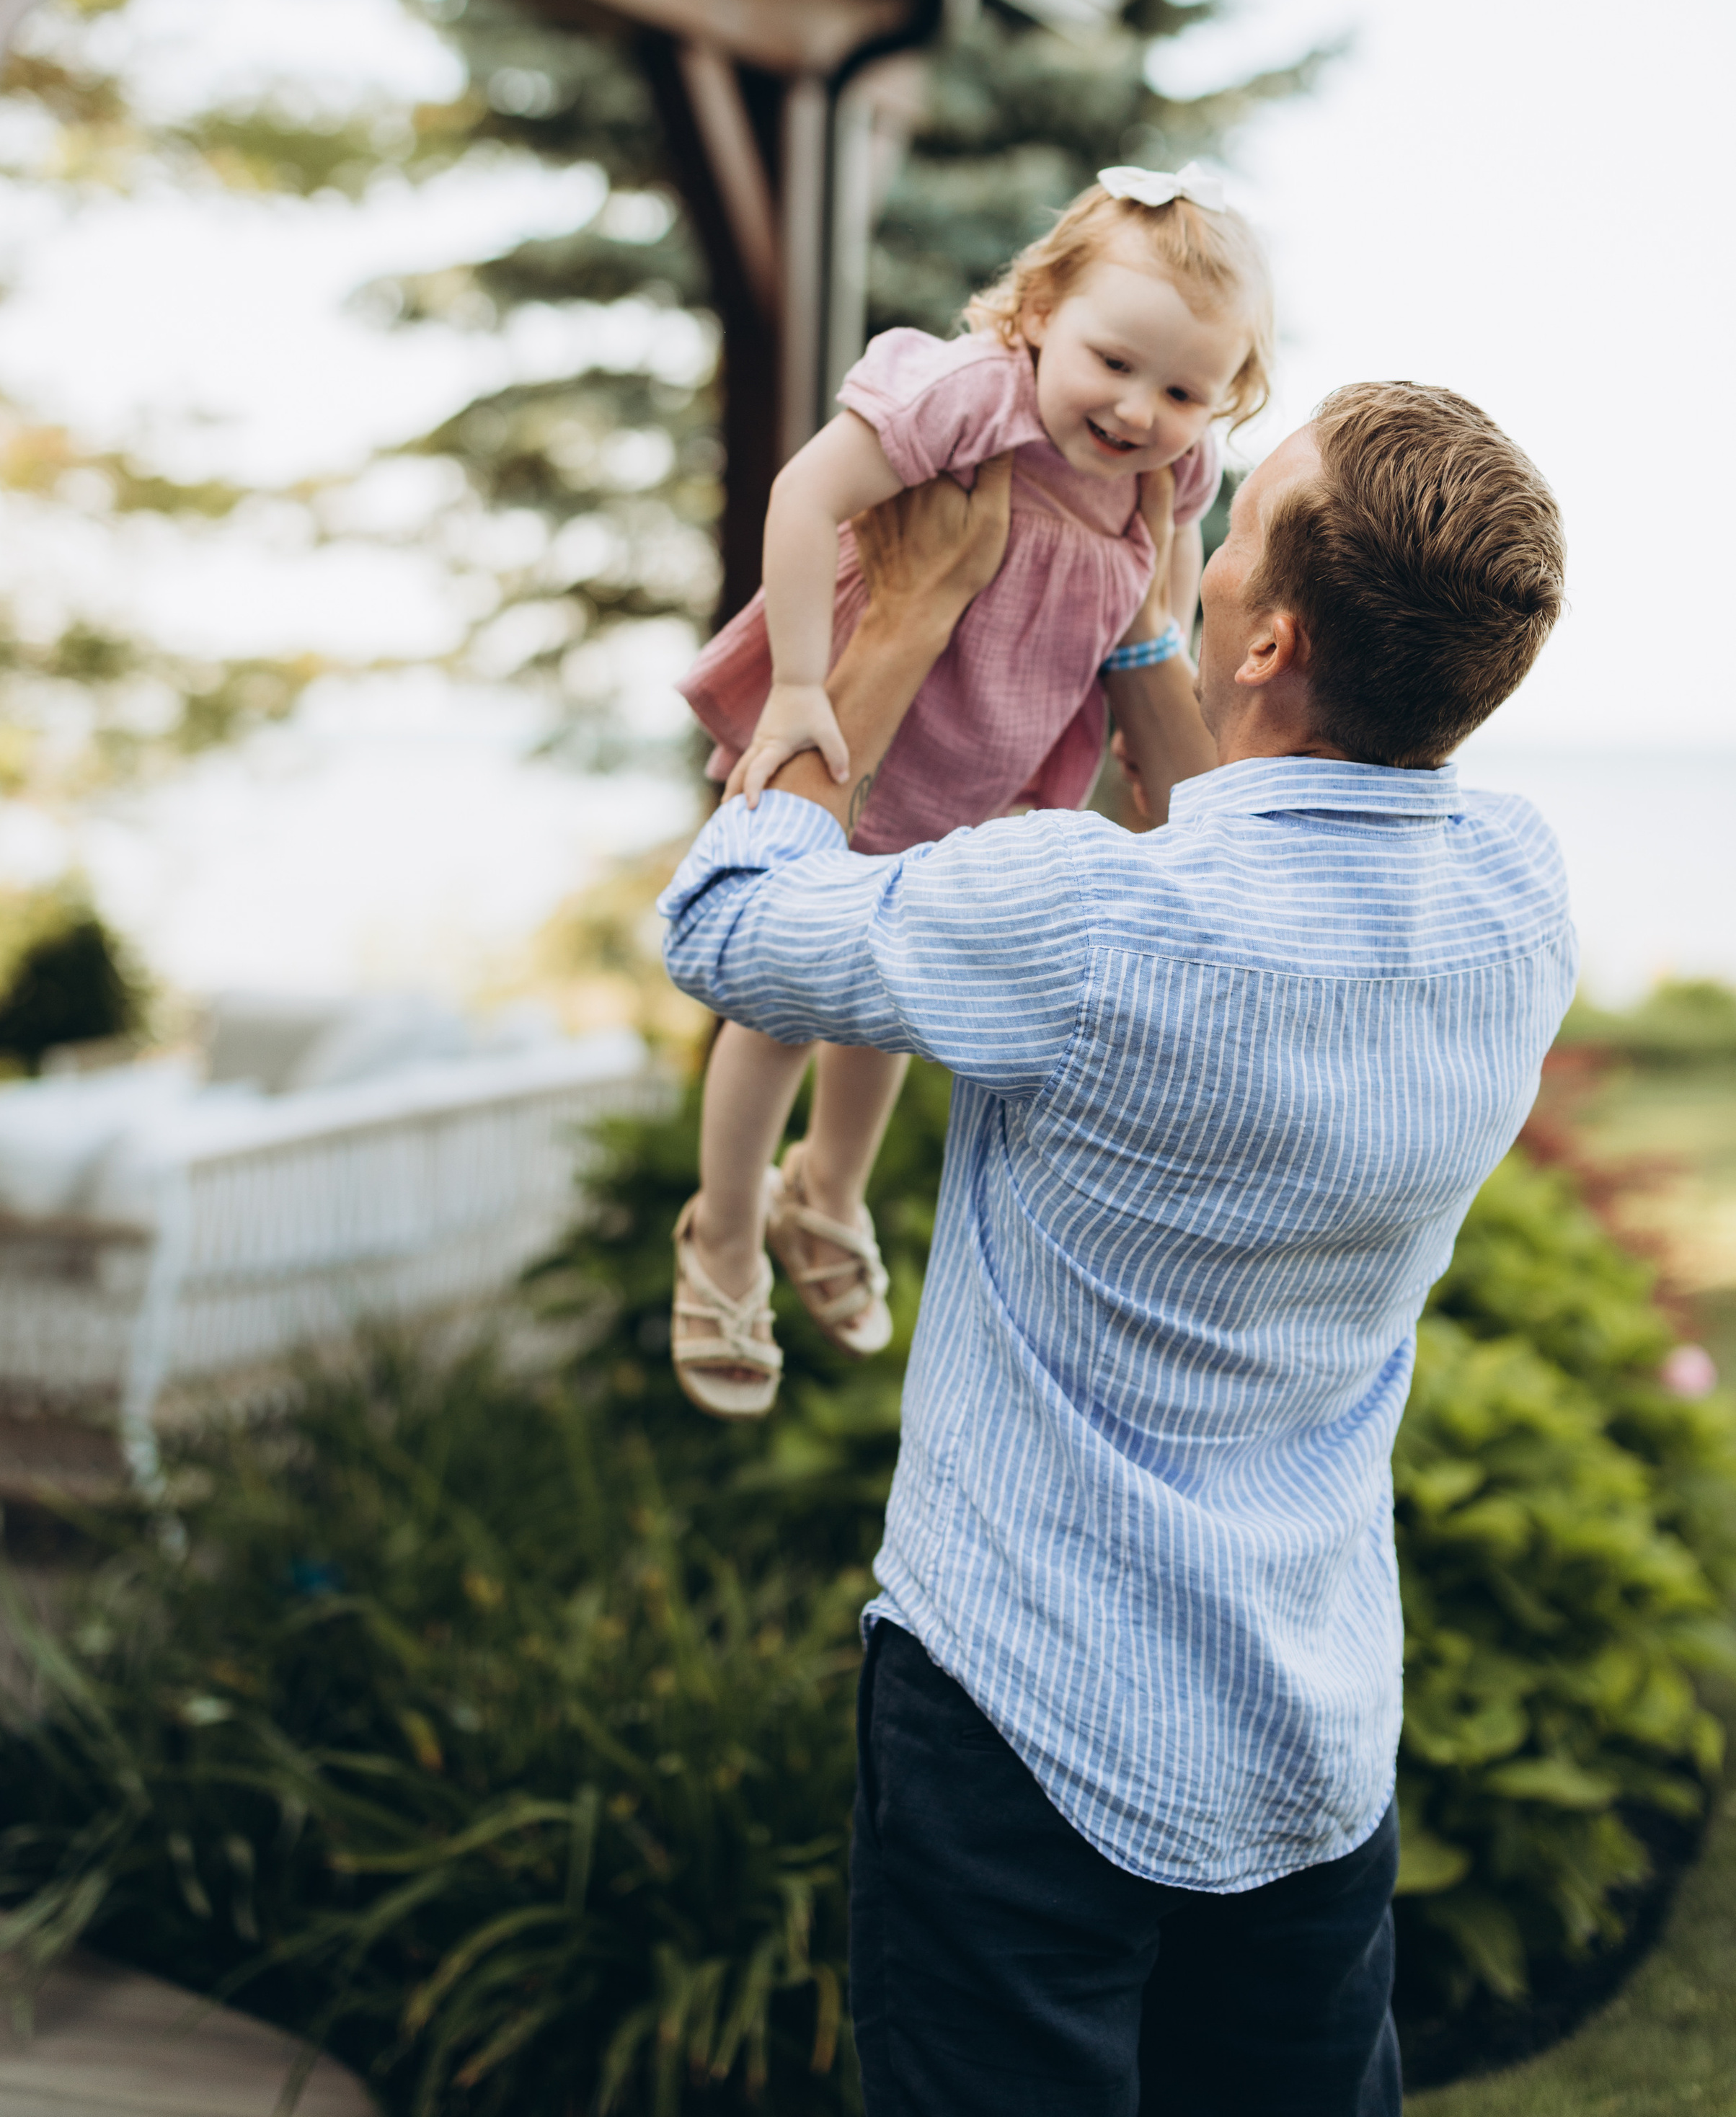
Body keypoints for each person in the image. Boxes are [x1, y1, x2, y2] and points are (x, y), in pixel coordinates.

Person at [658, 381, 1574, 2115]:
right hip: (1310, 1730)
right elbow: (1238, 821)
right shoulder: (1515, 899)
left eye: (1229, 529)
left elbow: (722, 921)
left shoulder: (1083, 924)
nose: (1197, 541)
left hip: (1023, 1722)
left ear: (1272, 637)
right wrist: (1152, 637)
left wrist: (906, 617)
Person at [670, 163, 1273, 1416]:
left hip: (996, 766)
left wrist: (1133, 732)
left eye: (1182, 392)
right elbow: (805, 493)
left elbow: (1153, 613)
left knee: (902, 993)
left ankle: (824, 1191)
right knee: (782, 1003)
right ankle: (723, 1231)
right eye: (1114, 362)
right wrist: (794, 683)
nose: (1136, 410)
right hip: (861, 737)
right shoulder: (965, 396)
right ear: (1040, 309)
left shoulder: (1171, 478)